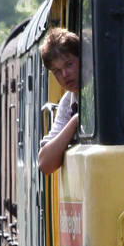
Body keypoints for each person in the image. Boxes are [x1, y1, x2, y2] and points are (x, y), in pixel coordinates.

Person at [38, 29, 80, 174]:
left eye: (69, 64)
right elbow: (45, 164)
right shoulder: (68, 101)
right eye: (56, 71)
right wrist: (75, 121)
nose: (64, 74)